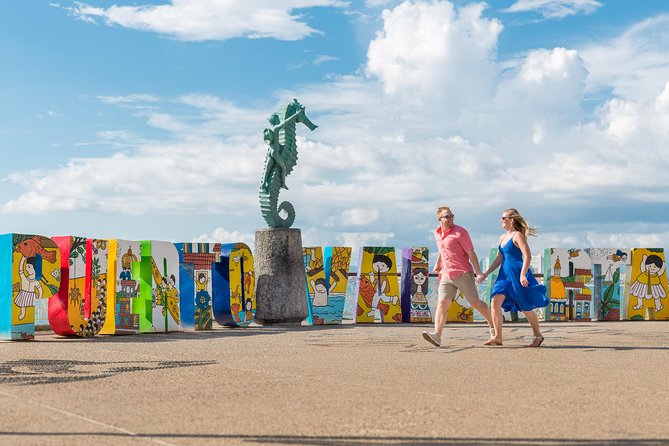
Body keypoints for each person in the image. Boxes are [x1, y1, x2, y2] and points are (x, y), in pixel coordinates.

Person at [422, 206, 494, 347]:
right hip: (446, 274)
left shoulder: (460, 232)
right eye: (447, 216)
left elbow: (471, 253)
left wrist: (478, 272)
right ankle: (437, 335)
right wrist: (438, 263)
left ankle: (494, 326)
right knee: (442, 303)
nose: (450, 218)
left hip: (462, 273)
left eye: (452, 216)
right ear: (439, 219)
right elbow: (442, 249)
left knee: (475, 303)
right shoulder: (437, 233)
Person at [480, 208, 549, 347]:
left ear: (511, 220)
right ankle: (497, 337)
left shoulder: (518, 236)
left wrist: (523, 274)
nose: (501, 220)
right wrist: (487, 273)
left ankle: (538, 335)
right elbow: (499, 258)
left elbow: (527, 256)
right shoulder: (502, 237)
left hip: (516, 274)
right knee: (494, 301)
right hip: (503, 275)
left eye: (503, 218)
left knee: (525, 306)